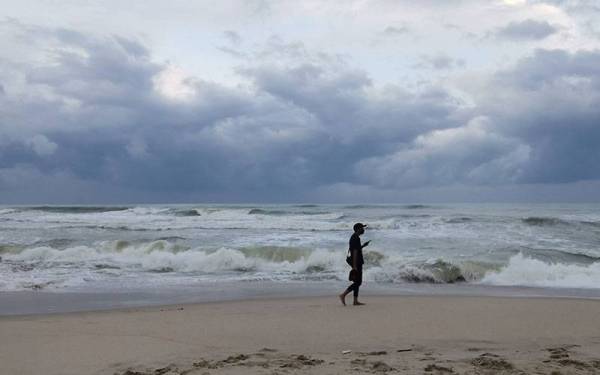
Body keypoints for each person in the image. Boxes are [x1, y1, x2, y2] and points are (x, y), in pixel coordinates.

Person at [339, 223, 370, 306]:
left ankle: (355, 301)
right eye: (362, 228)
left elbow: (356, 249)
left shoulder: (355, 237)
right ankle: (343, 295)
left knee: (357, 281)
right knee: (358, 282)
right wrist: (355, 266)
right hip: (357, 262)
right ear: (358, 229)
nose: (363, 230)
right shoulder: (355, 238)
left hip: (356, 261)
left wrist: (363, 245)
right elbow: (355, 252)